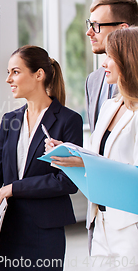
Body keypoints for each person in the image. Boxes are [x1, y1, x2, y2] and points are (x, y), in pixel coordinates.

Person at [0, 46, 83, 270]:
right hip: (7, 228)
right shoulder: (11, 120)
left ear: (39, 74)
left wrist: (15, 188)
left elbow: (67, 181)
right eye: (8, 72)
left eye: (15, 72)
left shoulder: (68, 120)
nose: (9, 79)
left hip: (45, 231)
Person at [49, 27, 138, 269]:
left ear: (128, 59)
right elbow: (98, 158)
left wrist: (86, 162)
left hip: (131, 226)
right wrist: (70, 152)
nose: (103, 63)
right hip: (101, 221)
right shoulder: (110, 106)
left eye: (110, 56)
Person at [85, 0, 138, 132]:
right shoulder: (92, 80)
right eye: (89, 24)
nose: (89, 32)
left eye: (96, 25)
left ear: (122, 29)